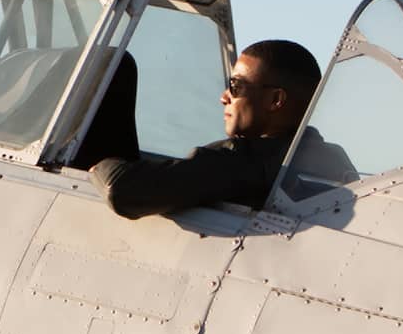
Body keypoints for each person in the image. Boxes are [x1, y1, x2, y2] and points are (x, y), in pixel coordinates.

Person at [91, 38, 322, 218]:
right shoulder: (324, 157)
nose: (224, 97)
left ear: (275, 100)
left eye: (236, 86)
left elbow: (122, 190)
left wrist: (99, 166)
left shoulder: (241, 161)